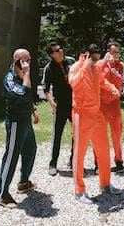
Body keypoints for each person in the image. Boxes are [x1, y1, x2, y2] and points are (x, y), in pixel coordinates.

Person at [69, 43, 120, 204]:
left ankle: (105, 184)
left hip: (96, 114)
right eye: (93, 57)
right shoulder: (77, 66)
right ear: (87, 54)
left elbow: (102, 81)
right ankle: (79, 190)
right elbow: (73, 83)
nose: (95, 61)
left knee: (104, 150)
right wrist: (85, 66)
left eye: (97, 58)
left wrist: (112, 88)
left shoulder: (97, 67)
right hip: (81, 114)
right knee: (80, 153)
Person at [0, 48, 38, 208]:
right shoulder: (9, 79)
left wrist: (34, 110)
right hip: (15, 123)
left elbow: (28, 95)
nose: (27, 63)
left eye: (29, 59)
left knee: (31, 150)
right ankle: (2, 194)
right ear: (15, 61)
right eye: (23, 60)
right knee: (11, 156)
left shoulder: (23, 75)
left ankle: (23, 182)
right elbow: (22, 94)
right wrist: (27, 74)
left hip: (26, 120)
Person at [41, 43, 75, 176]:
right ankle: (53, 163)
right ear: (51, 54)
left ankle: (73, 160)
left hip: (74, 104)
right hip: (60, 105)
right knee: (57, 134)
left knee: (77, 133)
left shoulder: (71, 61)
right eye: (56, 50)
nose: (60, 51)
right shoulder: (49, 68)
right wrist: (52, 103)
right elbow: (45, 88)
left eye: (60, 48)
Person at [96, 41, 124, 173]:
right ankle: (98, 163)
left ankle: (119, 161)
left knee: (117, 133)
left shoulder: (121, 65)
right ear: (108, 51)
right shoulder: (100, 64)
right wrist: (107, 64)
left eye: (117, 52)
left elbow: (120, 81)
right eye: (113, 52)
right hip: (101, 104)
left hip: (114, 103)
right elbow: (99, 81)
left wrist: (113, 66)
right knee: (100, 133)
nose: (115, 55)